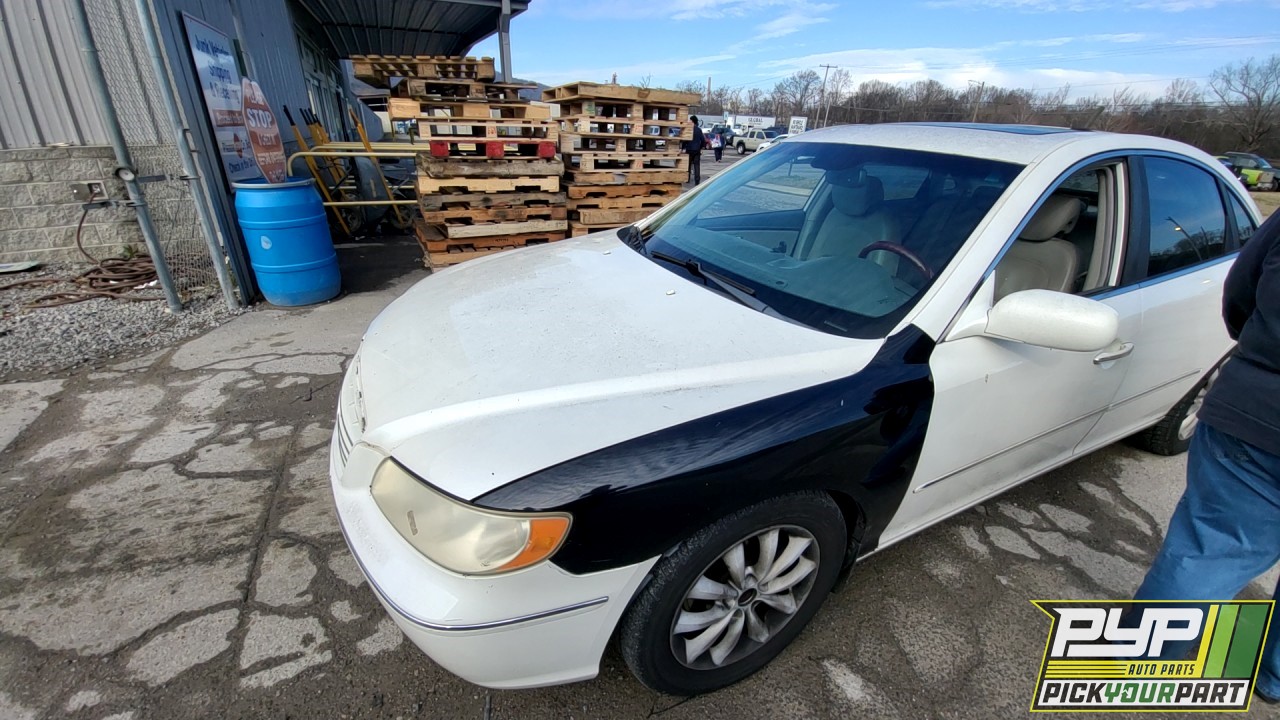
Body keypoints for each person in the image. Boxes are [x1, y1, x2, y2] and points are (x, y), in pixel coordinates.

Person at [1132, 210, 1280, 701]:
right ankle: (1273, 677)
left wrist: (1260, 361)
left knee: (1209, 548)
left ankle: (1148, 660)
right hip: (1258, 412)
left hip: (1258, 415)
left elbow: (1241, 293)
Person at [687, 116, 707, 186]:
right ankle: (697, 180)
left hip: (689, 149)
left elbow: (685, 140)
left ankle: (687, 178)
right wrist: (700, 147)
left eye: (689, 121)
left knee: (688, 165)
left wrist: (683, 147)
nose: (688, 122)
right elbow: (703, 141)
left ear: (692, 121)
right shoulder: (699, 130)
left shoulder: (689, 130)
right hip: (696, 150)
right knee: (696, 165)